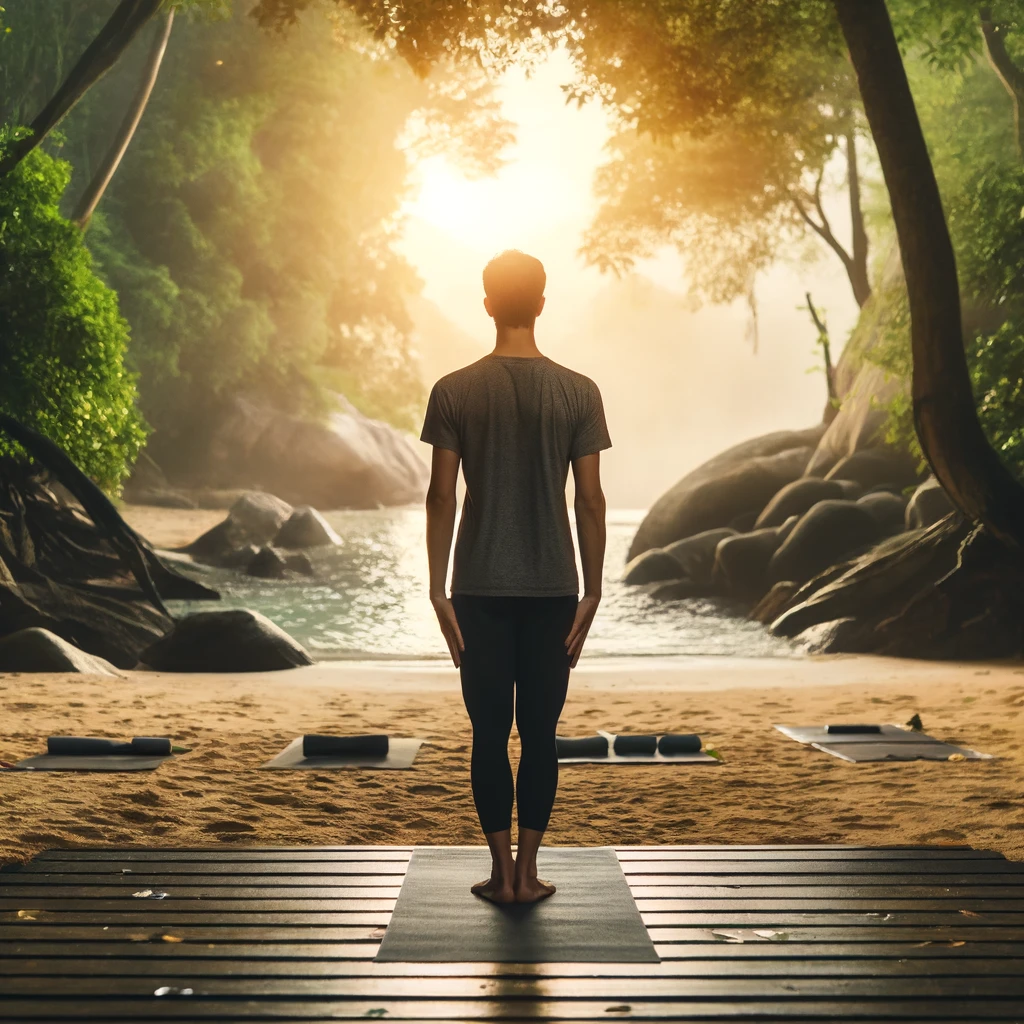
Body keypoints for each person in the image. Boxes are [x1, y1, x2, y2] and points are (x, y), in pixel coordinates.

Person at [421, 249, 610, 905]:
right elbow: (590, 499)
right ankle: (529, 875)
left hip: (476, 587)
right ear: (541, 303)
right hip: (555, 588)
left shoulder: (454, 390)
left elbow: (440, 497)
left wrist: (436, 588)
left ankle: (499, 874)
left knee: (488, 733)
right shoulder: (579, 392)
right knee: (540, 735)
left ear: (486, 304)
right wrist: (594, 589)